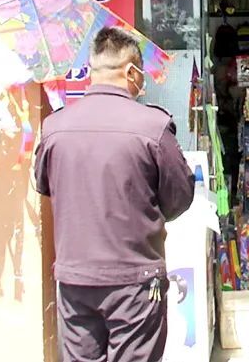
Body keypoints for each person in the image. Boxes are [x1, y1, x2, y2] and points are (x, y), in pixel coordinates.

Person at [35, 27, 195, 362]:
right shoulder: (152, 126)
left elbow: (44, 185)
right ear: (132, 72)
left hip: (75, 278)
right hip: (135, 280)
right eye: (141, 74)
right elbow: (180, 196)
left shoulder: (54, 127)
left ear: (92, 70)